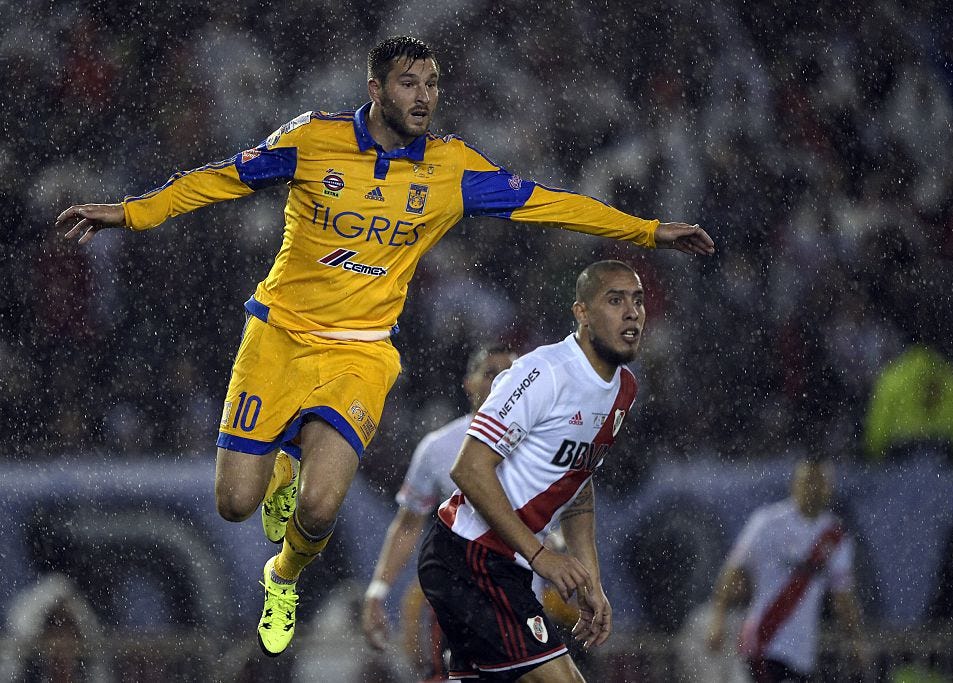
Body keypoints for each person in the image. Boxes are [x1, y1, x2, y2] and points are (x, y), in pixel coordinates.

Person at [54, 36, 714, 657]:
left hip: (362, 352)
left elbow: (552, 203)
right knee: (234, 502)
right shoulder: (314, 139)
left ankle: (281, 577)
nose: (424, 97)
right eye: (409, 84)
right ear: (376, 89)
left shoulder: (451, 167)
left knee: (319, 505)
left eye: (432, 84)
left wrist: (650, 231)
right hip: (278, 336)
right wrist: (132, 211)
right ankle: (282, 459)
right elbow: (223, 176)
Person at [417, 260, 647, 681]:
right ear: (581, 313)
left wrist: (590, 581)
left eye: (637, 300)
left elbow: (578, 484)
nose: (631, 312)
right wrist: (542, 556)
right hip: (469, 555)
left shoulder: (624, 389)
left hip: (502, 565)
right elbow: (468, 469)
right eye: (614, 300)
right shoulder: (542, 373)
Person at [361, 343, 517, 679]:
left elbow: (565, 517)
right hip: (459, 607)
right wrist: (378, 590)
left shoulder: (545, 444)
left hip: (525, 607)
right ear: (469, 383)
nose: (500, 383)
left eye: (510, 375)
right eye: (490, 373)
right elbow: (407, 525)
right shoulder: (439, 448)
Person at [706, 459, 868, 683]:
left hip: (802, 652)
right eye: (809, 482)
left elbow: (842, 597)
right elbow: (733, 569)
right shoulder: (767, 522)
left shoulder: (835, 536)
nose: (814, 489)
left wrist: (855, 640)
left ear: (830, 487)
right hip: (763, 640)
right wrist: (718, 618)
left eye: (821, 483)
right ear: (795, 484)